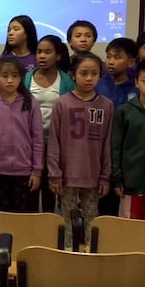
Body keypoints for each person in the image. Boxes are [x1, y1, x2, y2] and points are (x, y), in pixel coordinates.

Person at [48, 53, 114, 247]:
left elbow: (108, 143)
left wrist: (105, 176)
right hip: (66, 175)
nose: (89, 78)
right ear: (73, 75)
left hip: (93, 176)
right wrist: (54, 174)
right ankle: (68, 253)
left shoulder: (106, 106)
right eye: (83, 73)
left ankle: (89, 255)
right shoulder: (62, 103)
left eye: (94, 73)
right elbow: (54, 141)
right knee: (67, 218)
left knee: (92, 218)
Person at [0, 57, 43, 212]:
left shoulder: (30, 103)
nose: (10, 80)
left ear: (21, 78)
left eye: (15, 76)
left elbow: (37, 139)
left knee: (23, 219)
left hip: (24, 172)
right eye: (5, 76)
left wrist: (37, 171)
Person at [24, 35, 74, 212]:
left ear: (58, 56)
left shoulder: (67, 82)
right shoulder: (26, 79)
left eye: (47, 52)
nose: (42, 56)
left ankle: (49, 229)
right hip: (30, 144)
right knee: (30, 188)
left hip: (56, 144)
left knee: (50, 190)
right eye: (39, 52)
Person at [112, 58, 145, 220]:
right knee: (129, 232)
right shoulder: (125, 111)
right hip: (131, 185)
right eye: (144, 80)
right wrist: (118, 179)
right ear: (136, 82)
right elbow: (116, 147)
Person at [95, 38, 138, 216]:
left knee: (121, 205)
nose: (111, 61)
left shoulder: (137, 87)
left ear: (131, 62)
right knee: (100, 205)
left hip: (126, 154)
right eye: (108, 56)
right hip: (99, 151)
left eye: (117, 57)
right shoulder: (99, 84)